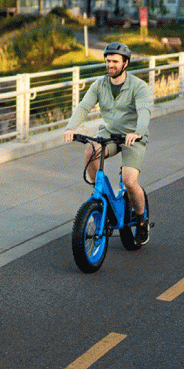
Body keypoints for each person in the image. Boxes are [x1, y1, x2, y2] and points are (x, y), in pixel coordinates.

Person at [63, 42, 154, 245]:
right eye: (107, 61)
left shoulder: (138, 86)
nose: (110, 65)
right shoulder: (100, 84)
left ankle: (141, 220)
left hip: (133, 137)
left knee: (130, 181)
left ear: (125, 63)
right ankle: (100, 195)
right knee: (90, 151)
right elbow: (84, 106)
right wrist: (71, 127)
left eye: (114, 61)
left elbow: (144, 111)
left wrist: (138, 132)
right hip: (110, 135)